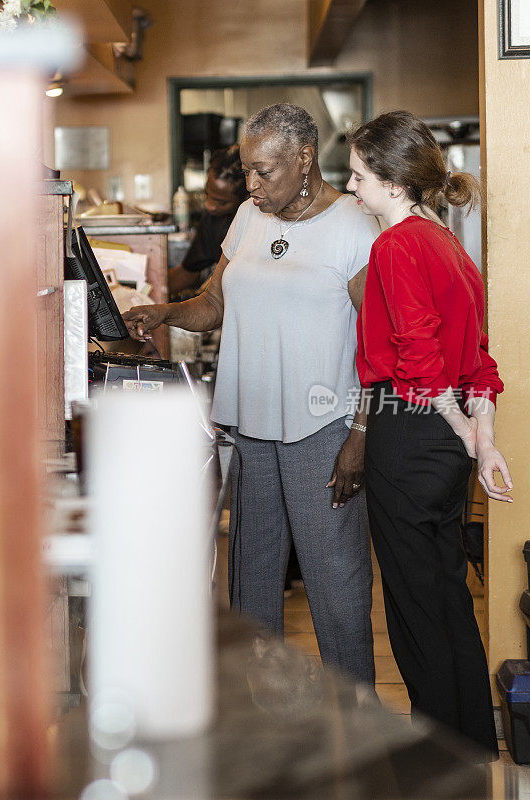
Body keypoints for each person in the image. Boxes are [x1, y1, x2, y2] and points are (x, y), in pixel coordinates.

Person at [124, 103, 380, 686]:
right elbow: (214, 305)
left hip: (324, 432)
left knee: (337, 590)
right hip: (252, 431)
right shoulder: (247, 216)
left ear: (305, 157)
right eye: (248, 171)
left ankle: (358, 720)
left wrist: (360, 434)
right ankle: (257, 715)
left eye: (265, 171)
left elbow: (377, 345)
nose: (254, 184)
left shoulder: (354, 227)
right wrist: (163, 313)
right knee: (252, 586)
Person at [347, 110, 512, 754]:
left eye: (359, 175)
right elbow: (480, 362)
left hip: (410, 432)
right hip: (445, 441)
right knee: (448, 594)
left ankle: (440, 759)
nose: (353, 188)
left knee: (416, 608)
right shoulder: (450, 245)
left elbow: (418, 357)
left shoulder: (395, 245)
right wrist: (480, 436)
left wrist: (461, 426)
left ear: (391, 179)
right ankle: (474, 747)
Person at [167, 146, 247, 297]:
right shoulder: (212, 218)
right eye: (207, 194)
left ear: (245, 198)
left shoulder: (251, 224)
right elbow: (188, 271)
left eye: (221, 202)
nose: (209, 205)